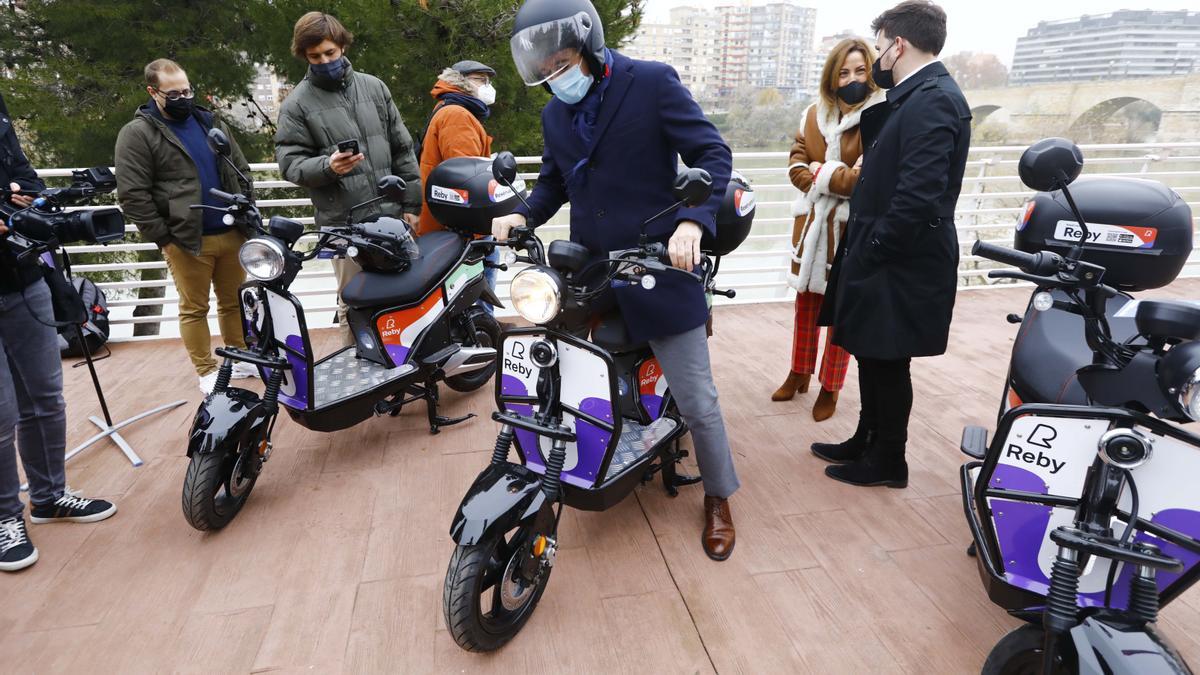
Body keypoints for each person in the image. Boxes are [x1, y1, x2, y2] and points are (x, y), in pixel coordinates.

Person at [493, 0, 740, 560]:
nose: (555, 78)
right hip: (591, 269)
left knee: (699, 399)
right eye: (544, 71)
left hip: (660, 264)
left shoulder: (650, 82)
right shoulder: (556, 112)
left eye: (561, 64)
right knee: (562, 365)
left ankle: (720, 498)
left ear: (588, 43)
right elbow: (553, 183)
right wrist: (522, 214)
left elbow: (712, 152)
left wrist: (691, 223)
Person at [816, 0, 971, 487]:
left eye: (880, 46)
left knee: (888, 359)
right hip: (885, 250)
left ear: (897, 44)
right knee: (871, 351)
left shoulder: (934, 99)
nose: (878, 54)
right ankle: (867, 438)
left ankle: (889, 460)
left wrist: (877, 246)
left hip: (900, 256)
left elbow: (919, 194)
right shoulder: (917, 95)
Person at [1, 93, 117, 573]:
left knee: (46, 398)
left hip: (25, 279)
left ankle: (49, 498)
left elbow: (22, 173)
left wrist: (23, 197)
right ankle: (6, 519)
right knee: (0, 413)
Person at [275, 11, 423, 345]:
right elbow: (289, 163)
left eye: (330, 52)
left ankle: (401, 368)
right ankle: (357, 378)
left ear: (342, 46)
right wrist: (327, 167)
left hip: (391, 218)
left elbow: (403, 148)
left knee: (402, 294)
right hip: (342, 225)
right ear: (304, 56)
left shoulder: (375, 87)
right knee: (353, 302)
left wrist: (412, 203)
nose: (324, 61)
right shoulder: (296, 104)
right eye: (315, 56)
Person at [115, 59, 258, 394]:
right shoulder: (137, 134)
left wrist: (245, 205)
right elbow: (133, 194)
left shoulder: (208, 121)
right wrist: (164, 238)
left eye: (187, 90)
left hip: (231, 230)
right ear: (153, 92)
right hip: (186, 239)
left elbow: (239, 167)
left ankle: (238, 357)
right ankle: (206, 370)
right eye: (174, 93)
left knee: (234, 300)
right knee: (195, 307)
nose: (183, 97)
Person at [773, 38, 884, 425]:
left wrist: (819, 173)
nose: (852, 79)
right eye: (843, 72)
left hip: (850, 229)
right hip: (812, 228)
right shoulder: (813, 114)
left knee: (841, 314)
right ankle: (799, 371)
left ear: (870, 73)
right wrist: (829, 175)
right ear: (831, 76)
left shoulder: (881, 114)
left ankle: (830, 386)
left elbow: (861, 182)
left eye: (859, 71)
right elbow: (794, 165)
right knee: (805, 305)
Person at [415, 60, 502, 314]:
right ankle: (482, 347)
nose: (487, 87)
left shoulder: (447, 108)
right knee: (476, 308)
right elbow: (466, 178)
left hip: (448, 228)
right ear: (460, 81)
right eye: (480, 80)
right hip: (466, 233)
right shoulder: (457, 115)